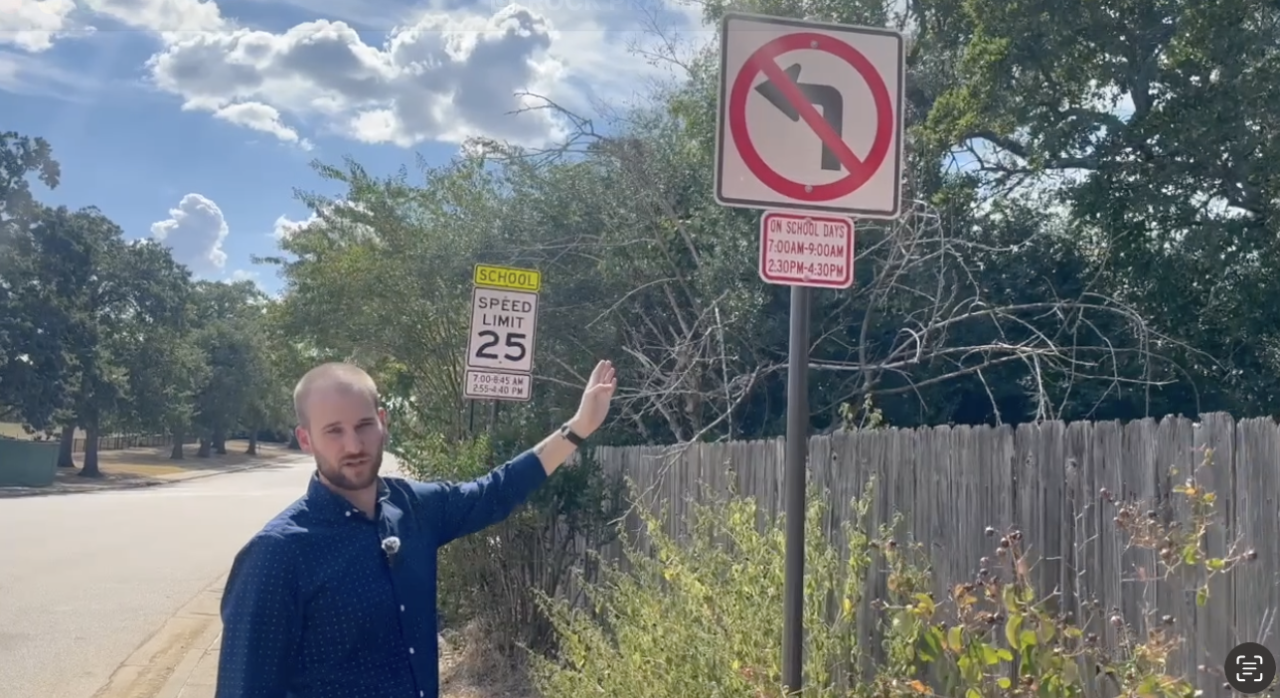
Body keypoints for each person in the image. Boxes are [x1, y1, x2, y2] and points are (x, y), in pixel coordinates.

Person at [215, 359, 618, 698]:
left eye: (363, 425)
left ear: (383, 423)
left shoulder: (414, 509)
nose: (353, 445)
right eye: (333, 431)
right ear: (306, 439)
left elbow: (495, 491)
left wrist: (579, 426)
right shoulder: (277, 554)